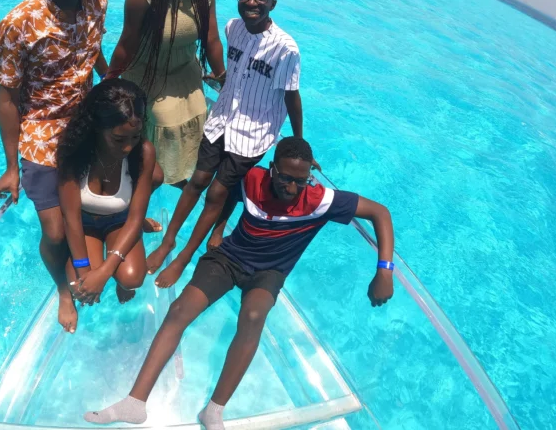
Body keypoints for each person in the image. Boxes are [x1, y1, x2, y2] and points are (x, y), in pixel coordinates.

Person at [84, 137, 395, 429]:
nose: (292, 187)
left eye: (301, 180)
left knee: (254, 317)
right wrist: (208, 238)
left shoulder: (320, 200)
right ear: (272, 169)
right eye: (285, 177)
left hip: (270, 271)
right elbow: (223, 200)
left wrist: (384, 270)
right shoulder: (252, 179)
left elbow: (380, 212)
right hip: (229, 259)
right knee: (179, 310)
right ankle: (134, 402)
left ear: (310, 175)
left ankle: (214, 409)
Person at [147, 0, 312, 288]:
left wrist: (299, 143)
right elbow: (237, 73)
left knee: (218, 192)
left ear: (272, 3)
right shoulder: (232, 28)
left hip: (253, 133)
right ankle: (168, 242)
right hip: (220, 120)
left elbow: (292, 97)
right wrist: (220, 80)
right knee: (196, 181)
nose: (252, 1)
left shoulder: (285, 49)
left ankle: (183, 258)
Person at [0, 0, 109, 333]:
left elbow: (95, 50)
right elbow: (7, 99)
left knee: (106, 194)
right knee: (55, 233)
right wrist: (11, 167)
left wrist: (110, 84)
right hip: (42, 132)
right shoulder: (19, 23)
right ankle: (62, 289)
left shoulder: (98, 4)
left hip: (89, 122)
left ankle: (118, 231)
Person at [106, 0, 226, 188]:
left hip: (186, 71)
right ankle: (149, 176)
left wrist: (223, 80)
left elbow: (212, 39)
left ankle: (175, 174)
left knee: (197, 118)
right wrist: (109, 82)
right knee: (163, 120)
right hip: (149, 75)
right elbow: (126, 44)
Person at [58, 79, 164, 313]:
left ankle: (125, 250)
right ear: (96, 127)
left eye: (135, 137)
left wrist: (105, 273)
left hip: (121, 219)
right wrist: (86, 273)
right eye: (118, 139)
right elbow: (71, 218)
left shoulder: (143, 153)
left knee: (132, 278)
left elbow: (134, 218)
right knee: (80, 288)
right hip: (84, 223)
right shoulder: (74, 150)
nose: (128, 147)